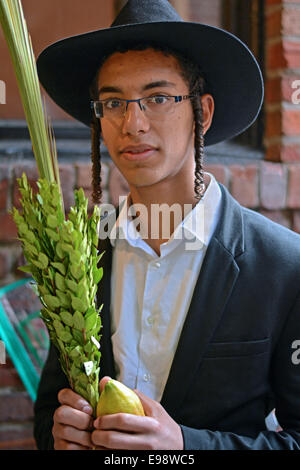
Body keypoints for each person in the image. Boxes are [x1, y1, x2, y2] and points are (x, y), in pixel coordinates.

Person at [34, 0, 300, 450]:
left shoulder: (282, 265)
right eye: (114, 102)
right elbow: (48, 413)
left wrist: (183, 448)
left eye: (157, 98)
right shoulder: (83, 252)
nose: (132, 123)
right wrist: (60, 434)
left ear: (203, 112)